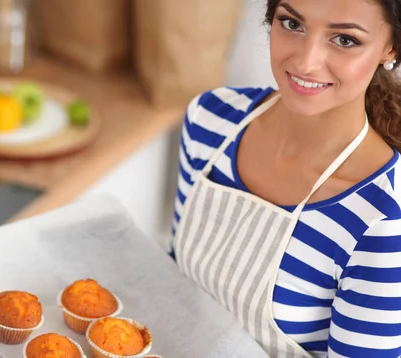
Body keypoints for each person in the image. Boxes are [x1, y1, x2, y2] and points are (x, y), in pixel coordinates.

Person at [170, 1, 401, 357]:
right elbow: (170, 285)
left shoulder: (382, 217)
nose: (306, 61)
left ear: (391, 48)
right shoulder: (211, 120)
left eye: (344, 39)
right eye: (292, 24)